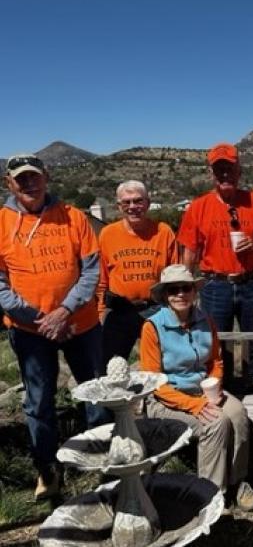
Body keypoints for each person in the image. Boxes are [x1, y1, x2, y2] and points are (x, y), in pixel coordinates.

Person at [0, 153, 109, 500]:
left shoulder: (73, 217)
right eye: (21, 179)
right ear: (9, 183)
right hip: (31, 332)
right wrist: (41, 320)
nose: (29, 183)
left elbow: (91, 270)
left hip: (81, 324)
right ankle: (47, 470)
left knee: (95, 393)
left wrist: (64, 311)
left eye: (34, 176)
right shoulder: (1, 223)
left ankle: (102, 462)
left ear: (46, 177)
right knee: (38, 402)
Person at [140, 264, 253, 511]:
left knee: (237, 415)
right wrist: (195, 405)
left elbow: (215, 361)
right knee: (215, 423)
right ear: (165, 295)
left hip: (203, 392)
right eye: (173, 290)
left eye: (186, 288)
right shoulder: (152, 327)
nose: (180, 294)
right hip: (167, 398)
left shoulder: (206, 321)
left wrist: (212, 387)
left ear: (194, 292)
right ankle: (210, 496)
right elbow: (153, 382)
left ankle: (237, 482)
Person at [178, 143, 253, 390]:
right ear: (211, 173)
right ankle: (221, 394)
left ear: (239, 171)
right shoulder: (198, 207)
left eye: (229, 168)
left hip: (252, 284)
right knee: (214, 344)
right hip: (215, 285)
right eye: (219, 169)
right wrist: (183, 289)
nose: (225, 174)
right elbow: (189, 251)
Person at [97, 180, 178, 368]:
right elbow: (101, 279)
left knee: (163, 364)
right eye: (126, 202)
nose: (133, 207)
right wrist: (101, 312)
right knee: (111, 368)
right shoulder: (107, 234)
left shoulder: (163, 232)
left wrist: (174, 310)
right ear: (119, 206)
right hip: (119, 310)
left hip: (155, 309)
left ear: (148, 203)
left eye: (138, 201)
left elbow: (174, 276)